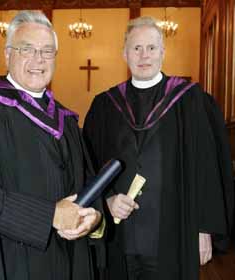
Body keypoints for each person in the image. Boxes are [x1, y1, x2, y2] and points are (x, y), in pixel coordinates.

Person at [0, 11, 104, 280]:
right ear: (7, 54)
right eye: (27, 49)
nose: (39, 60)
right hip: (6, 260)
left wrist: (92, 217)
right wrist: (48, 216)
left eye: (47, 51)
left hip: (66, 261)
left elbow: (86, 183)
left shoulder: (67, 121)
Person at [83, 16, 234, 280]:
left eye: (152, 48)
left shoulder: (190, 101)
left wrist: (203, 229)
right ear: (124, 54)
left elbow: (207, 168)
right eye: (136, 48)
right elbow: (88, 166)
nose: (144, 55)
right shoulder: (105, 106)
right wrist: (105, 201)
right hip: (121, 238)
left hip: (173, 234)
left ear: (163, 52)